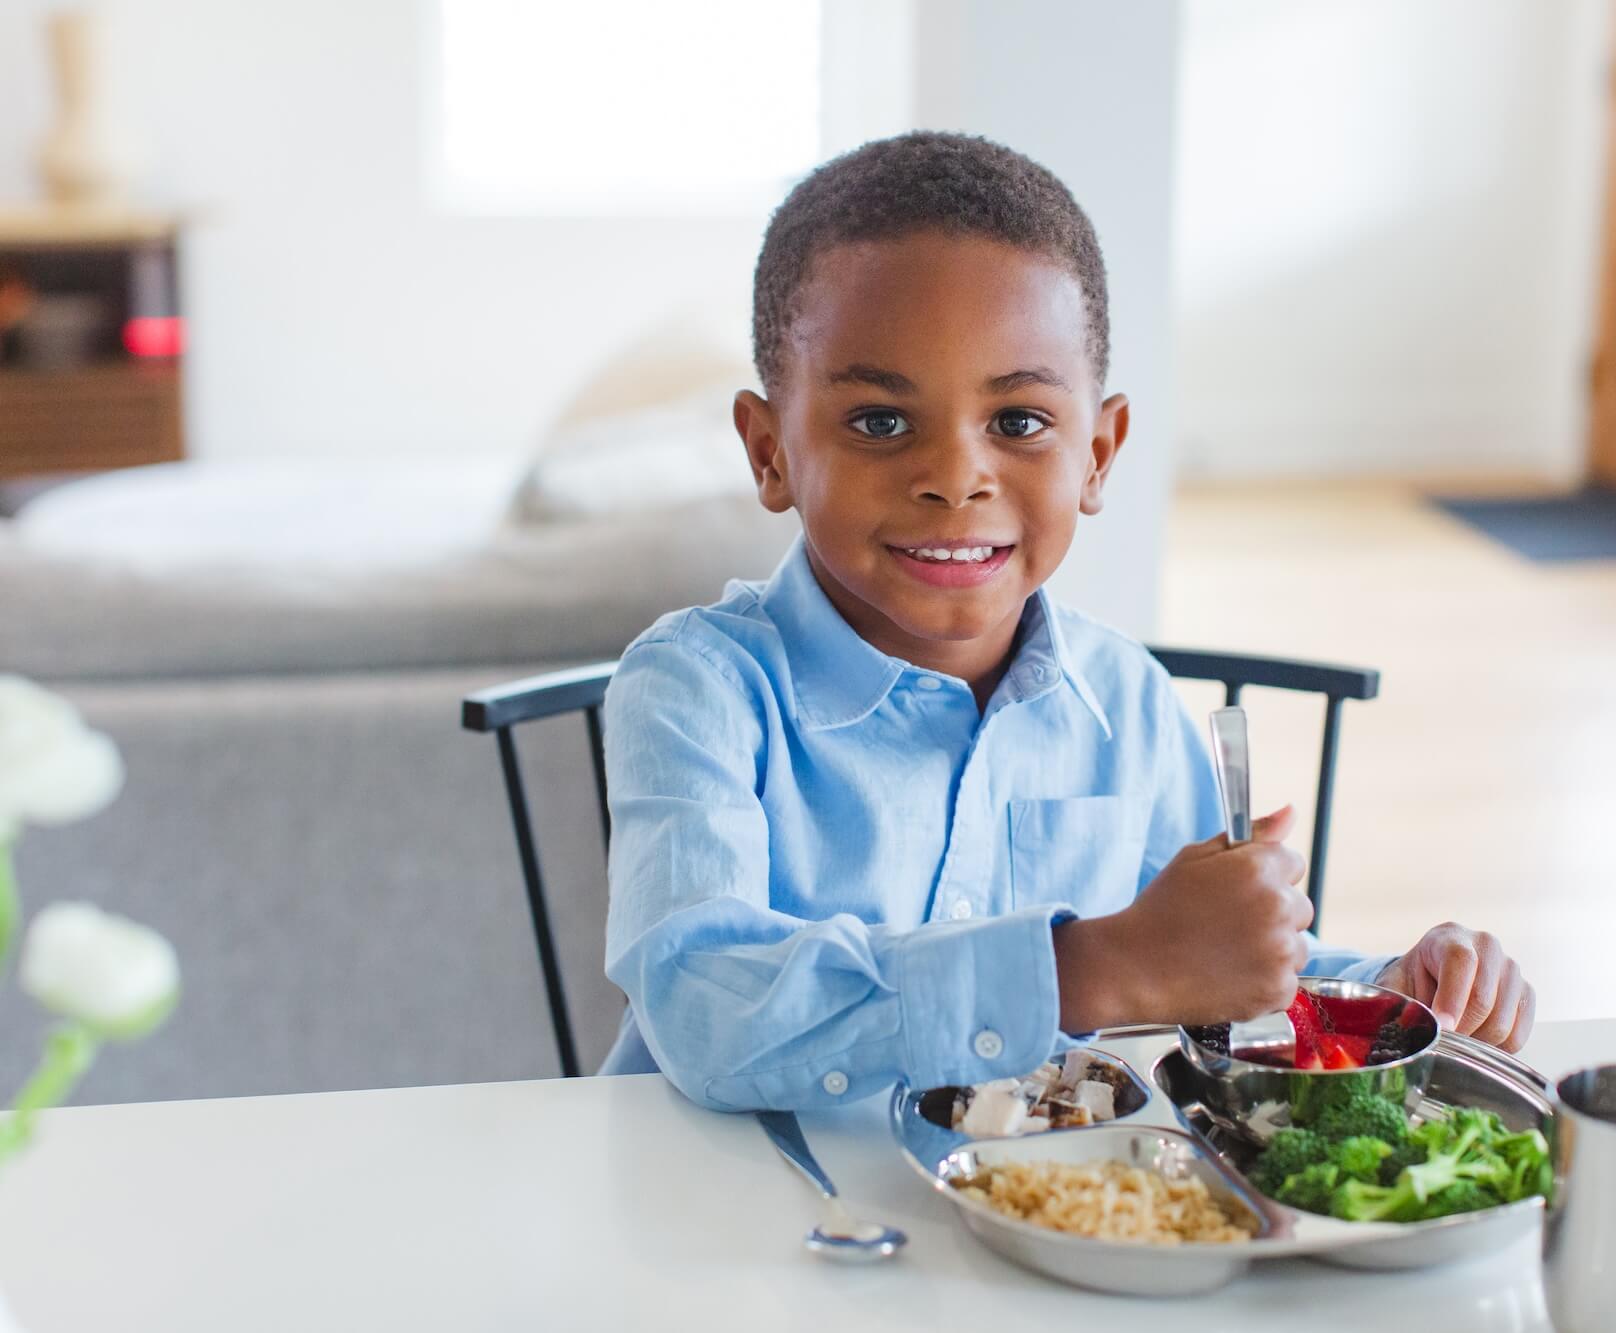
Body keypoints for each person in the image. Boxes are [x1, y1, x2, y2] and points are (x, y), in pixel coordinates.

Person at [600, 132, 1533, 1111]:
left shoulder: (1120, 703)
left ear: (1097, 452)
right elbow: (703, 1006)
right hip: (719, 1228)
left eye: (1017, 422)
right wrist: (1083, 971)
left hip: (1005, 1230)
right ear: (768, 452)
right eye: (880, 420)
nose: (955, 477)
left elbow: (1202, 959)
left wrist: (1387, 993)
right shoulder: (693, 689)